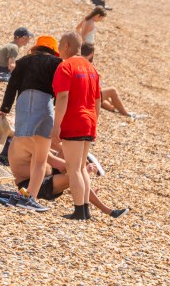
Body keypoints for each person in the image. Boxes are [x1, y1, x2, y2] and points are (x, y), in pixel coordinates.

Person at [0, 35, 63, 211]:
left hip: (23, 105)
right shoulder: (57, 63)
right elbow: (60, 91)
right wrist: (60, 111)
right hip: (44, 105)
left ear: (36, 48)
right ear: (53, 51)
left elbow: (12, 86)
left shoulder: (23, 61)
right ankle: (30, 198)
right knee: (40, 159)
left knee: (27, 142)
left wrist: (4, 108)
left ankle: (25, 196)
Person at [50, 31, 103, 220]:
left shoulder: (66, 66)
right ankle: (85, 209)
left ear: (66, 46)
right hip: (89, 120)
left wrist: (57, 125)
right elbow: (98, 100)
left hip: (74, 120)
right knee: (81, 167)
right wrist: (94, 120)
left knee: (73, 168)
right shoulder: (91, 68)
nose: (57, 49)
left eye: (59, 45)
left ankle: (79, 209)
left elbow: (62, 96)